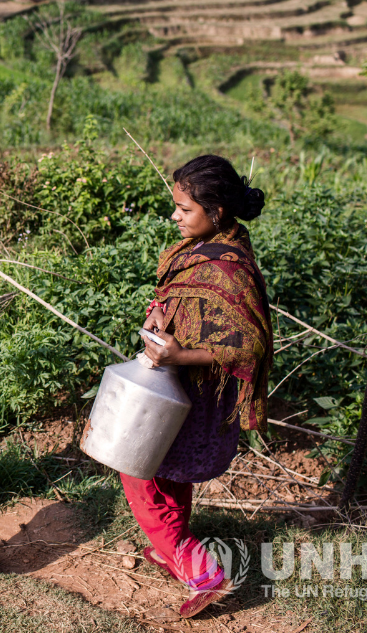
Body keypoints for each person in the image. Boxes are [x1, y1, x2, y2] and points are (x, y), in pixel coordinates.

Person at [131, 154, 272, 618]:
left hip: (200, 393)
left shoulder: (229, 268)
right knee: (167, 471)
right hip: (179, 385)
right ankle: (173, 550)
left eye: (184, 209)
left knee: (136, 464)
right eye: (175, 205)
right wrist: (159, 312)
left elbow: (248, 345)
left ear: (217, 212)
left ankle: (201, 568)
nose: (174, 216)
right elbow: (177, 294)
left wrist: (179, 355)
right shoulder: (203, 248)